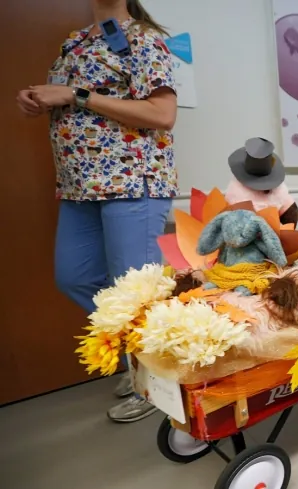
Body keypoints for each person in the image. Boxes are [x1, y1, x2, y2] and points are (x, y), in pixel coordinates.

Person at [16, 0, 178, 423]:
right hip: (78, 187)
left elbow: (162, 114)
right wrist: (40, 99)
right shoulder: (74, 44)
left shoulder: (143, 37)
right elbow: (67, 100)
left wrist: (76, 94)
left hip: (131, 181)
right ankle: (144, 357)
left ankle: (159, 382)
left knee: (135, 294)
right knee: (76, 277)